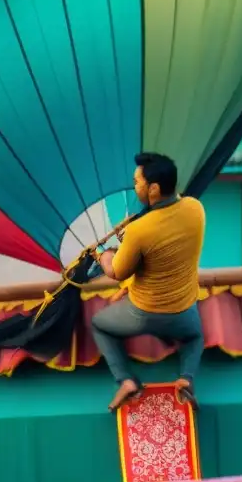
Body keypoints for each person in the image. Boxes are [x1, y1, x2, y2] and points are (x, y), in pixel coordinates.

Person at [92, 152, 206, 412]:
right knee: (195, 338)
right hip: (183, 308)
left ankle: (126, 380)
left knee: (99, 325)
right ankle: (185, 378)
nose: (135, 187)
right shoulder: (195, 209)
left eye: (137, 182)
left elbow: (117, 272)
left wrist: (103, 254)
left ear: (153, 188)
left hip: (144, 313)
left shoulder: (139, 230)